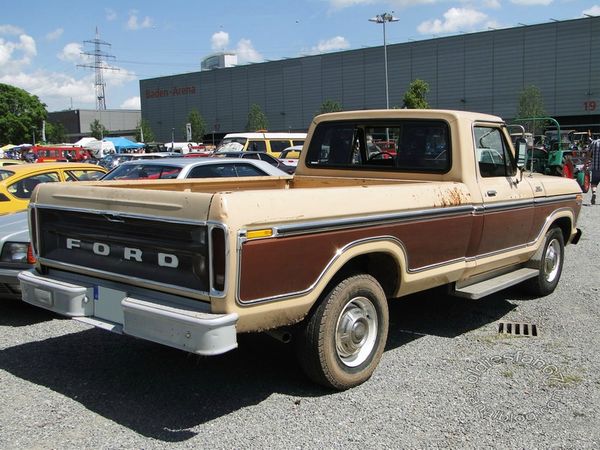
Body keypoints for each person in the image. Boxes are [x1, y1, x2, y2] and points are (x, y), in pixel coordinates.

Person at [590, 137, 600, 205]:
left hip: (595, 167)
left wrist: (585, 164)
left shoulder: (594, 142)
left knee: (594, 182)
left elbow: (588, 153)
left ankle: (594, 192)